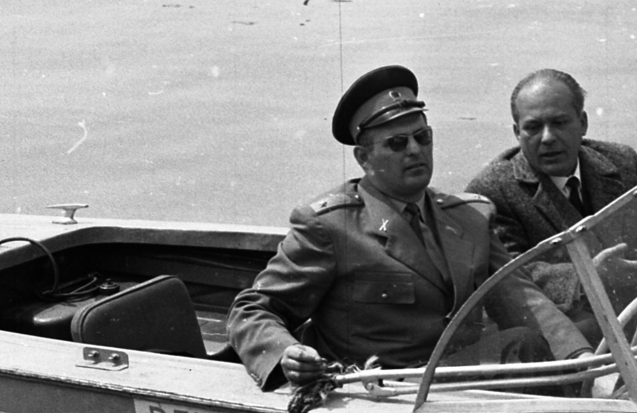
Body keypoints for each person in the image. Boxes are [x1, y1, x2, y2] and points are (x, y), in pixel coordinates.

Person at [229, 66, 589, 389]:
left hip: (455, 384)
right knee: (520, 348)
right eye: (397, 143)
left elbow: (520, 297)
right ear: (364, 158)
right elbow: (253, 309)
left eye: (423, 137)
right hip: (381, 396)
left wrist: (581, 361)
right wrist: (289, 352)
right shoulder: (331, 226)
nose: (415, 150)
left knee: (526, 341)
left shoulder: (470, 217)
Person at [466, 69, 637, 342]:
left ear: (583, 123)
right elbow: (512, 277)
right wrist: (591, 276)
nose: (547, 138)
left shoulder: (620, 160)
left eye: (559, 122)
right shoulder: (492, 192)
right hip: (580, 329)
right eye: (533, 127)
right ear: (517, 132)